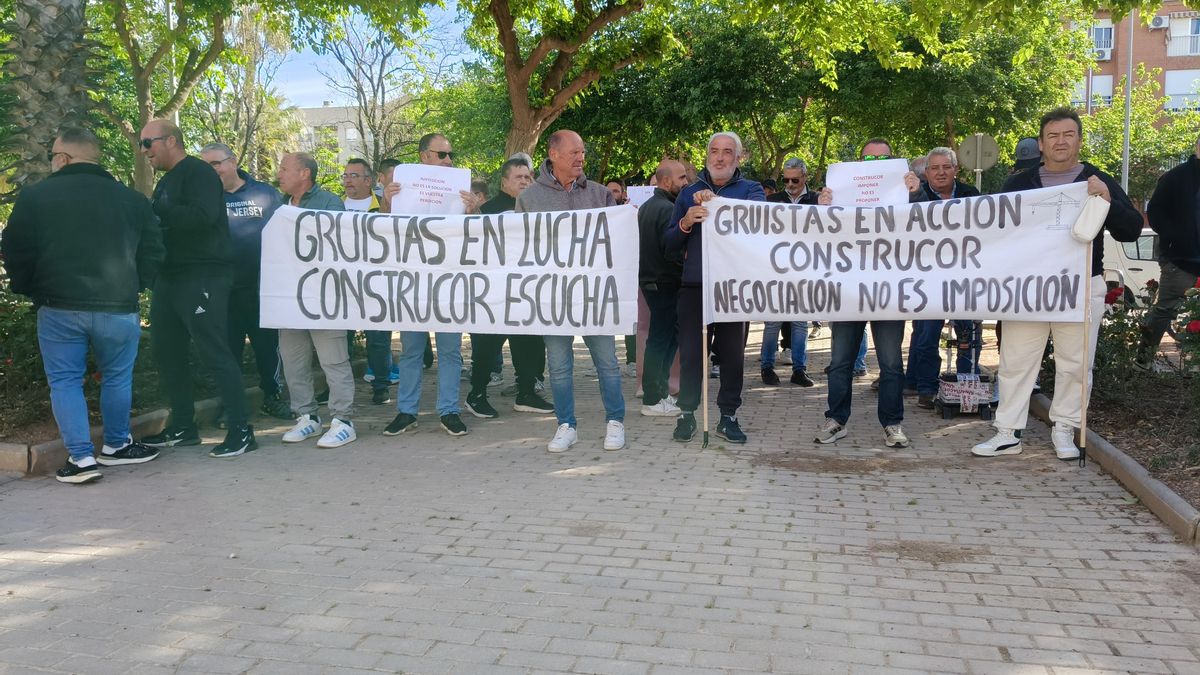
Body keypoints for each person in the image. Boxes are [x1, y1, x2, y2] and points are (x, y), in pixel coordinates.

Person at [972, 107, 1142, 460]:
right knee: (1016, 361)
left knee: (1076, 364)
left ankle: (1064, 428)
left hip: (1080, 287)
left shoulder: (1098, 180)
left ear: (1079, 140)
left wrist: (1107, 202)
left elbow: (1130, 231)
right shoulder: (1020, 184)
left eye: (1068, 135)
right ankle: (1007, 432)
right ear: (1042, 144)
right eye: (1053, 136)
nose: (1060, 142)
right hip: (1028, 288)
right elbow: (996, 234)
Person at [2, 128, 164, 483]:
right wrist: (135, 286)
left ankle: (80, 459)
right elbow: (154, 250)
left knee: (65, 381)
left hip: (59, 305)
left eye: (52, 156)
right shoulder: (131, 199)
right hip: (118, 306)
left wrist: (30, 288)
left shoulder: (35, 198)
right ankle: (117, 446)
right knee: (118, 377)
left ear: (63, 158)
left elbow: (14, 249)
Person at [136, 119, 256, 458]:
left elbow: (203, 216)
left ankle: (241, 431)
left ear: (171, 140)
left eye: (148, 143)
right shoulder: (167, 181)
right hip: (170, 278)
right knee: (166, 350)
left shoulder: (199, 173)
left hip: (202, 275)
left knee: (214, 351)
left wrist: (157, 211)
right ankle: (184, 427)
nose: (144, 151)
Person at [516, 130, 626, 452]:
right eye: (573, 153)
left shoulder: (600, 194)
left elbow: (616, 243)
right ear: (553, 154)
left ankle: (615, 422)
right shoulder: (529, 198)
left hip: (594, 296)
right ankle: (566, 425)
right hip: (554, 298)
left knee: (607, 361)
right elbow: (520, 248)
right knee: (559, 365)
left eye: (582, 152)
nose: (580, 158)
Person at [814, 138, 921, 449]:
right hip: (848, 289)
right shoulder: (840, 193)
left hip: (889, 290)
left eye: (882, 159)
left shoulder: (908, 192)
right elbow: (818, 233)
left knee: (890, 363)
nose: (875, 164)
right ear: (858, 164)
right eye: (869, 159)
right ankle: (836, 420)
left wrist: (917, 193)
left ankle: (892, 423)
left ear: (893, 161)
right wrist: (822, 208)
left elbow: (930, 222)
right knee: (840, 362)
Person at [665, 132, 765, 444]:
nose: (719, 157)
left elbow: (763, 227)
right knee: (693, 355)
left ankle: (728, 416)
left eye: (727, 152)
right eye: (714, 151)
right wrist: (686, 221)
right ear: (707, 155)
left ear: (738, 158)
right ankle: (687, 415)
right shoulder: (688, 193)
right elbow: (668, 244)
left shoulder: (752, 189)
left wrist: (722, 205)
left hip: (734, 288)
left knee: (733, 356)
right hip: (694, 286)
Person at [381, 133, 475, 437]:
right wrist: (387, 203)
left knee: (450, 351)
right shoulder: (401, 189)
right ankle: (406, 412)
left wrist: (472, 210)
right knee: (411, 351)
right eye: (442, 154)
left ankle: (449, 411)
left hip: (448, 281)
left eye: (451, 155)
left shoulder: (459, 191)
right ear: (424, 156)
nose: (449, 160)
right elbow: (385, 231)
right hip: (413, 283)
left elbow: (474, 237)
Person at [197, 142, 290, 422]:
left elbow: (287, 233)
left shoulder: (265, 194)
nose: (212, 171)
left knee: (267, 349)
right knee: (228, 351)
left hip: (262, 289)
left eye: (216, 164)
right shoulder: (203, 198)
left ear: (233, 161)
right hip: (221, 291)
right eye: (206, 166)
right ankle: (232, 405)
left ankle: (272, 397)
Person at [273, 152, 359, 449]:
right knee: (293, 361)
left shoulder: (330, 204)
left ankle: (343, 421)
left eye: (284, 168)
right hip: (289, 298)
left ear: (304, 174)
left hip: (324, 298)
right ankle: (306, 417)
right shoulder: (278, 205)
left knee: (333, 360)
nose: (279, 173)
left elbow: (342, 245)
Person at [465, 158, 554, 418]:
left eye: (528, 177)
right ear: (504, 181)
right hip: (492, 294)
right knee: (486, 347)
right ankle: (476, 395)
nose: (525, 182)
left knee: (529, 344)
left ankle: (526, 392)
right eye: (519, 177)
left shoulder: (538, 208)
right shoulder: (487, 209)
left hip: (525, 292)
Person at [905, 147, 982, 408]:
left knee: (968, 335)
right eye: (934, 168)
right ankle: (927, 389)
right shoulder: (916, 196)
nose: (940, 172)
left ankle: (965, 388)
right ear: (927, 173)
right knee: (926, 338)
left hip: (965, 278)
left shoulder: (971, 194)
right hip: (929, 280)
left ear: (956, 169)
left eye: (946, 167)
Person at [1135, 135, 1200, 370]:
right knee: (1164, 310)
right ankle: (1142, 361)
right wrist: (1174, 238)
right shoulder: (1176, 177)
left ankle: (1194, 365)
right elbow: (1156, 212)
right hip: (1180, 260)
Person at [339, 158, 393, 405]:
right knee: (341, 340)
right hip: (343, 284)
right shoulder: (333, 206)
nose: (348, 180)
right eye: (346, 175)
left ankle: (381, 386)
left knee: (378, 340)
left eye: (354, 175)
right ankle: (337, 389)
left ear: (368, 181)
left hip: (376, 284)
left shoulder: (383, 205)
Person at [762, 157, 818, 387]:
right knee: (772, 322)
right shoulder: (772, 200)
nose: (790, 184)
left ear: (805, 177)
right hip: (776, 270)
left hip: (806, 270)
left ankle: (799, 369)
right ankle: (766, 367)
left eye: (795, 179)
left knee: (800, 323)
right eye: (785, 179)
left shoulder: (817, 200)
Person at [638, 159, 687, 417]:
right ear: (666, 181)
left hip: (653, 282)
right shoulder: (667, 209)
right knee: (661, 340)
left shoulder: (647, 206)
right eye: (681, 178)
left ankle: (657, 392)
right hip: (665, 282)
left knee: (664, 339)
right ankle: (653, 397)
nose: (686, 183)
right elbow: (672, 250)